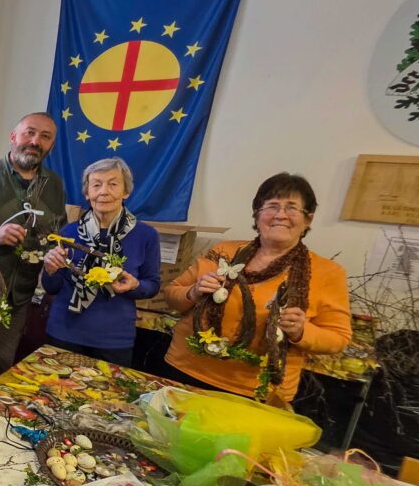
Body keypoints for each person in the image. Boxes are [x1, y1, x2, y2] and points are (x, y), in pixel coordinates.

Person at [163, 173, 351, 404]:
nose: (281, 215)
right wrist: (193, 291)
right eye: (272, 206)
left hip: (254, 390)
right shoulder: (223, 252)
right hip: (185, 371)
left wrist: (301, 331)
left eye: (292, 208)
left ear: (308, 220)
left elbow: (338, 338)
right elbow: (172, 295)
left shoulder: (327, 273)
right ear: (257, 214)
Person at [40, 157, 161, 366]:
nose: (104, 191)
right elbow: (51, 287)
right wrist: (50, 269)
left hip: (114, 340)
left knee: (107, 397)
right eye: (96, 185)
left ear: (126, 192)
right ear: (87, 194)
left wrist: (136, 286)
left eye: (113, 184)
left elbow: (153, 285)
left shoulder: (146, 235)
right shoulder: (68, 233)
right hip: (64, 332)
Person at [0, 112, 66, 382]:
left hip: (19, 296)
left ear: (50, 146)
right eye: (29, 132)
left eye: (45, 137)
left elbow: (58, 233)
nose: (35, 141)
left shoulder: (55, 186)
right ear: (13, 136)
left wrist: (56, 252)